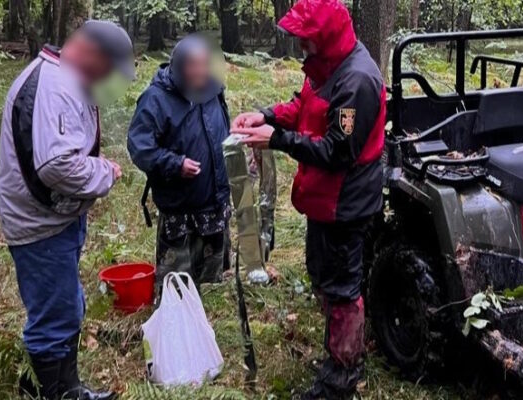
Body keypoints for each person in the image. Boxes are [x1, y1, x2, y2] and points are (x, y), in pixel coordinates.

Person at [231, 0, 386, 398]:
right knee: (323, 273)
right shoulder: (327, 68)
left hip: (345, 203)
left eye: (306, 40)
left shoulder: (356, 82)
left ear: (325, 37)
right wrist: (266, 117)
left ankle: (341, 377)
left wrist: (278, 140)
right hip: (322, 199)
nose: (301, 47)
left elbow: (338, 150)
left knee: (341, 287)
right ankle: (340, 347)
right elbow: (304, 106)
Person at [0, 20, 135, 400]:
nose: (108, 79)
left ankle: (57, 385)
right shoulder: (57, 87)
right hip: (39, 225)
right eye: (108, 68)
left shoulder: (62, 79)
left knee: (65, 303)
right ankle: (57, 393)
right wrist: (104, 171)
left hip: (50, 217)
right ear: (92, 54)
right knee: (56, 313)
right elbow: (56, 166)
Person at [127, 36, 232, 288]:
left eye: (204, 64)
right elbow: (140, 147)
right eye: (193, 65)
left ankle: (209, 322)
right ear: (178, 66)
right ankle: (175, 324)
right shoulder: (155, 98)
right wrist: (175, 163)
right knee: (176, 285)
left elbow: (222, 132)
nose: (200, 71)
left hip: (213, 205)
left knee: (212, 283)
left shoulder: (213, 90)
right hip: (179, 209)